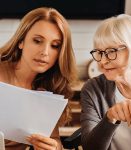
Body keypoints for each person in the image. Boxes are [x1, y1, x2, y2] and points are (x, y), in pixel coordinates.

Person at [0, 7, 77, 150]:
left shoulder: (47, 90)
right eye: (37, 41)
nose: (45, 52)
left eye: (55, 46)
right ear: (21, 42)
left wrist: (54, 147)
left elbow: (54, 141)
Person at [80, 14, 131, 150]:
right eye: (99, 53)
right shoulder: (93, 89)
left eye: (111, 52)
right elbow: (90, 147)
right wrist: (109, 119)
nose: (103, 61)